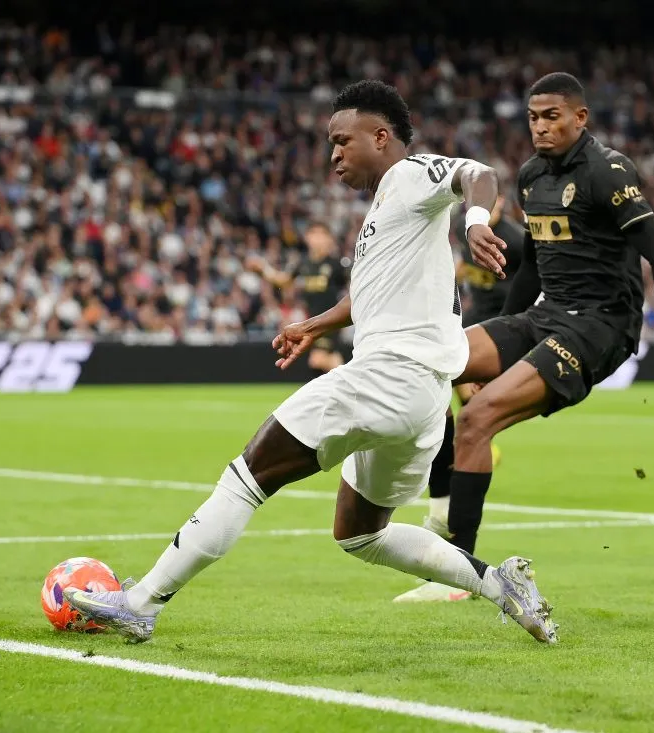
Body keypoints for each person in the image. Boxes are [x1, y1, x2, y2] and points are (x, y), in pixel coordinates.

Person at [65, 79, 559, 645]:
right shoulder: (391, 210)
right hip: (421, 400)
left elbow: (476, 175)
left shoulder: (409, 174)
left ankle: (141, 602)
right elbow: (369, 296)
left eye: (342, 141)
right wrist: (316, 324)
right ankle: (501, 585)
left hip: (387, 376)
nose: (333, 155)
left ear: (381, 136)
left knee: (248, 475)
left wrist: (475, 222)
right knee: (360, 533)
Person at [396, 72, 654, 604]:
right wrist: (500, 335)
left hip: (601, 326)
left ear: (580, 118)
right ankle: (436, 509)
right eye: (533, 117)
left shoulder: (607, 171)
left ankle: (463, 578)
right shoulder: (529, 178)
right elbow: (534, 271)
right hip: (546, 315)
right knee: (435, 364)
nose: (541, 127)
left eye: (552, 116)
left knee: (477, 419)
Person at [396, 194, 523, 603]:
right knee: (447, 397)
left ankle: (452, 551)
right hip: (478, 330)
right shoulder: (462, 232)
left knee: (459, 405)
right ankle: (445, 519)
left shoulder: (515, 239)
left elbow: (537, 283)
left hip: (508, 333)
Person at [247, 222, 350, 377]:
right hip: (312, 320)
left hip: (330, 320)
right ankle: (350, 385)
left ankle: (354, 381)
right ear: (307, 238)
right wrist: (263, 269)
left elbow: (354, 283)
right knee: (330, 359)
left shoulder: (336, 263)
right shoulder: (303, 263)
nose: (317, 239)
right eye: (313, 234)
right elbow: (283, 280)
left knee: (317, 360)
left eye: (322, 234)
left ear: (330, 239)